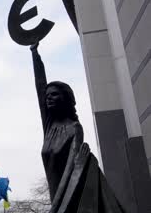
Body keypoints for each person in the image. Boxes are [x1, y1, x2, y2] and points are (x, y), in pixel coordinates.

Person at [30, 42, 125, 213]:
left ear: (65, 99)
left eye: (54, 95)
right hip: (57, 202)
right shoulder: (49, 127)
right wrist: (34, 53)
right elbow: (40, 86)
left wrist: (56, 207)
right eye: (47, 96)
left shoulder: (74, 128)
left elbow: (69, 172)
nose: (49, 98)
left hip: (71, 199)